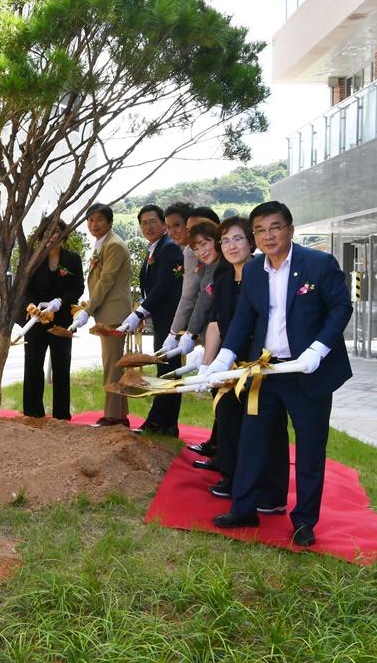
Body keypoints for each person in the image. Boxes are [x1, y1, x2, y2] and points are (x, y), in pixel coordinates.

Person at [202, 201, 353, 547]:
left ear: (290, 229)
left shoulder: (318, 263)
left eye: (275, 228)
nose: (268, 236)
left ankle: (304, 521)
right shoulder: (254, 271)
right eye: (260, 230)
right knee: (253, 440)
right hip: (267, 371)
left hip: (307, 373)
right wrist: (223, 359)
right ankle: (243, 509)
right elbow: (244, 318)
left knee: (310, 449)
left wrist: (319, 349)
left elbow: (341, 307)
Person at [199, 217, 289, 507]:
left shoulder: (266, 275)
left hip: (261, 363)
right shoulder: (223, 280)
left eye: (237, 238)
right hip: (229, 362)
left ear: (251, 241)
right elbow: (216, 322)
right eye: (224, 240)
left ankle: (269, 491)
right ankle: (232, 476)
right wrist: (207, 362)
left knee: (265, 428)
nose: (231, 246)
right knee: (227, 417)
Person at [120, 205, 185, 436]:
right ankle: (165, 424)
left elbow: (164, 287)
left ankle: (160, 423)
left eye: (153, 221)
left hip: (171, 320)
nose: (148, 227)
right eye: (144, 223)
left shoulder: (169, 249)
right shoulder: (155, 249)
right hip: (160, 318)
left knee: (169, 371)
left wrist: (139, 312)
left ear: (163, 224)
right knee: (167, 370)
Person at [72, 203, 132, 427]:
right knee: (113, 363)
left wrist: (88, 310)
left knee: (112, 365)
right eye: (90, 220)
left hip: (114, 313)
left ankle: (114, 417)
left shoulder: (113, 245)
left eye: (98, 220)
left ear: (109, 222)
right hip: (107, 311)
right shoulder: (103, 244)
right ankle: (119, 414)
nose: (93, 224)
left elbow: (106, 281)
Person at [20, 220, 85, 420]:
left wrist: (61, 301)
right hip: (35, 321)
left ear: (64, 233)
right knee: (32, 367)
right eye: (48, 230)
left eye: (57, 230)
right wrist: (32, 307)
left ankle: (61, 416)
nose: (53, 234)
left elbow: (78, 288)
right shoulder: (32, 257)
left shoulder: (72, 259)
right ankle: (32, 413)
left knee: (61, 367)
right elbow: (23, 286)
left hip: (62, 321)